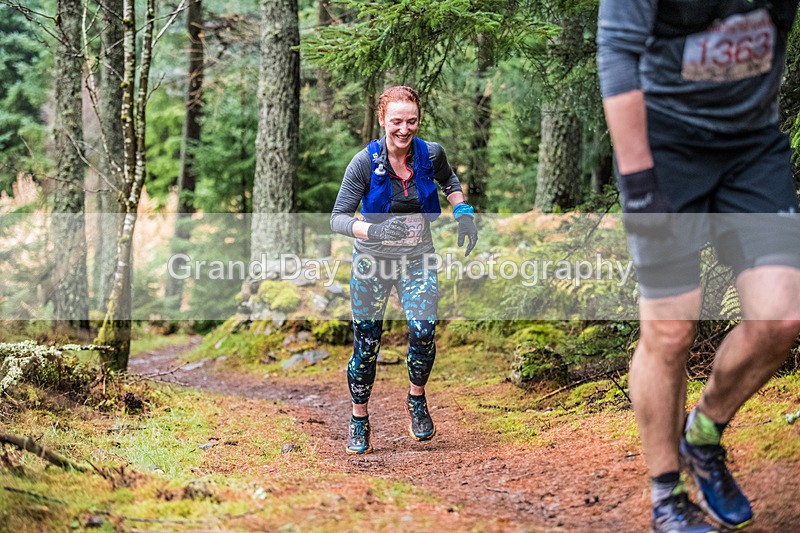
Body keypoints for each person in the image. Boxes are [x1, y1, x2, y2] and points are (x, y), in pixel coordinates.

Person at [598, 1, 800, 532]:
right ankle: (667, 494)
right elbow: (617, 52)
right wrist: (639, 183)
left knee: (781, 317)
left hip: (752, 150)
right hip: (664, 150)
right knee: (669, 331)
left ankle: (702, 435)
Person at [330, 85, 478, 455]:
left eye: (411, 121)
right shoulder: (364, 162)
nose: (404, 128)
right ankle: (359, 418)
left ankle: (416, 399)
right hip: (372, 262)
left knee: (424, 330)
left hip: (417, 258)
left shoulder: (430, 154)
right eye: (396, 121)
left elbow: (449, 180)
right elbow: (338, 218)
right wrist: (375, 231)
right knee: (367, 344)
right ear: (382, 119)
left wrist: (462, 211)